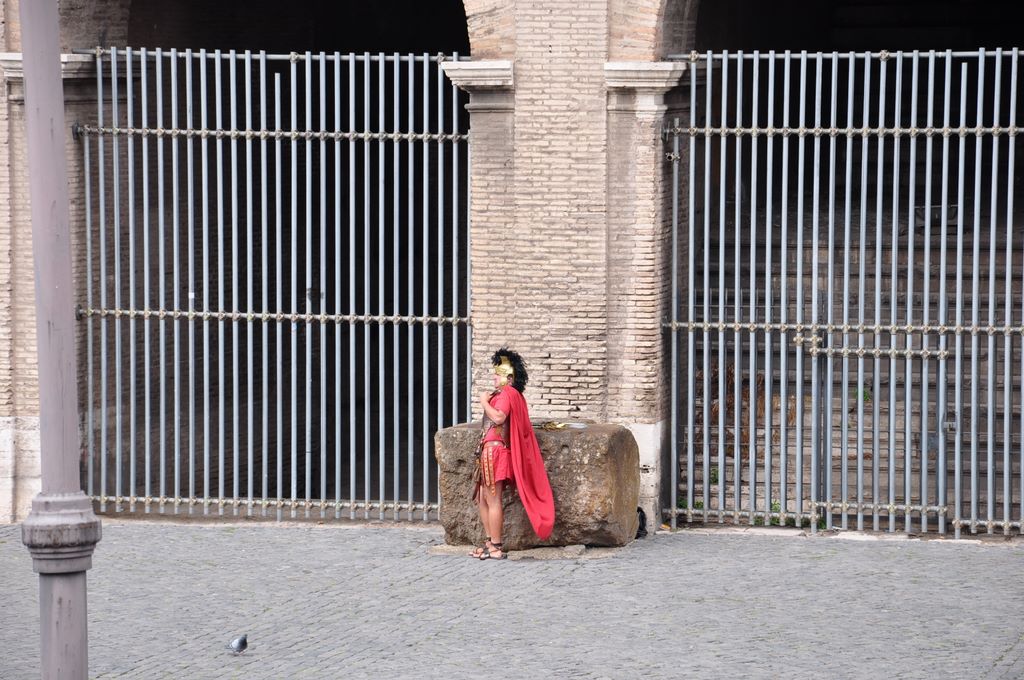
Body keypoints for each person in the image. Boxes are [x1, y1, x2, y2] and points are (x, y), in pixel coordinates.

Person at [470, 348, 555, 560]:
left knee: (493, 498)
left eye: (497, 374)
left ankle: (496, 547)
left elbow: (499, 417)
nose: (494, 376)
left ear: (508, 378)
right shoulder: (505, 394)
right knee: (482, 498)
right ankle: (489, 543)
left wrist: (482, 402)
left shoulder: (507, 393)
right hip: (488, 450)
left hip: (495, 451)